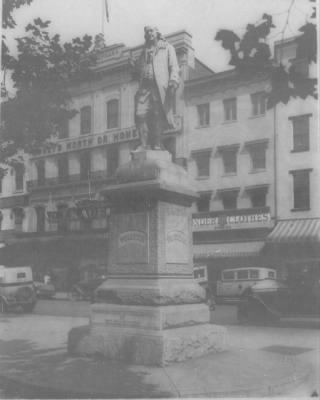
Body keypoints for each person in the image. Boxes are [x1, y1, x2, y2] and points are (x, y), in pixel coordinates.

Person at [131, 26, 180, 150]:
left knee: (157, 115)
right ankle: (143, 144)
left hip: (159, 87)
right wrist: (134, 66)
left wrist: (173, 81)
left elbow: (174, 67)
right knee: (140, 115)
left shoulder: (168, 48)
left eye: (151, 31)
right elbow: (139, 72)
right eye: (147, 32)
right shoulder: (143, 52)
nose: (149, 34)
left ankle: (157, 144)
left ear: (157, 33)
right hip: (144, 88)